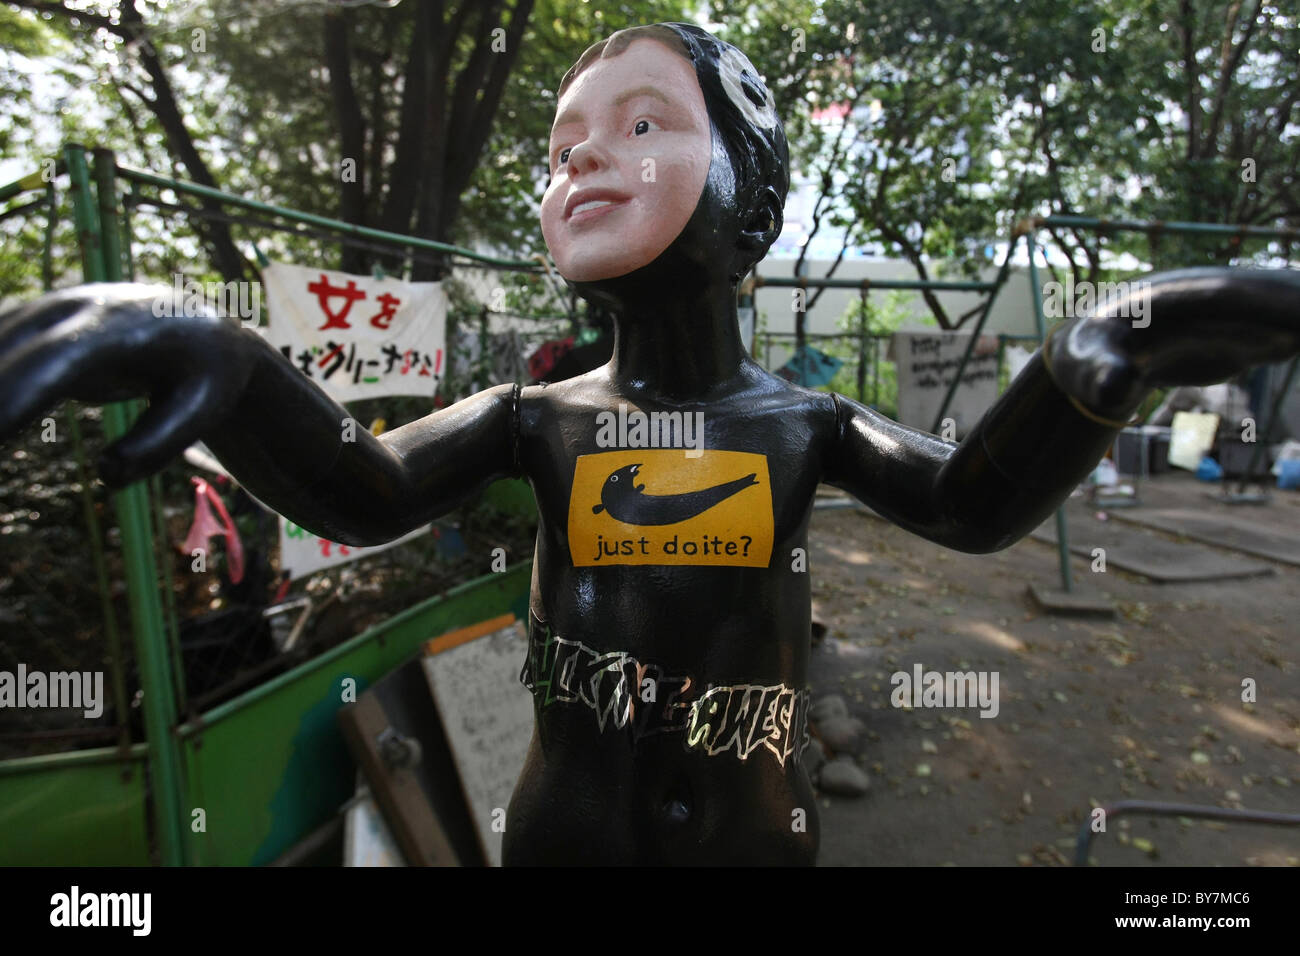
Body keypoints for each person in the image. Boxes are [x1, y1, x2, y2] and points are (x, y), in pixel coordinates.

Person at [1, 22, 1298, 865]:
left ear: (757, 198)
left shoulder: (803, 424)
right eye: (564, 151)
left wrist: (1093, 361)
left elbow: (967, 503)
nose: (582, 168)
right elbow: (363, 488)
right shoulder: (538, 414)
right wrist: (229, 365)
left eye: (641, 126)